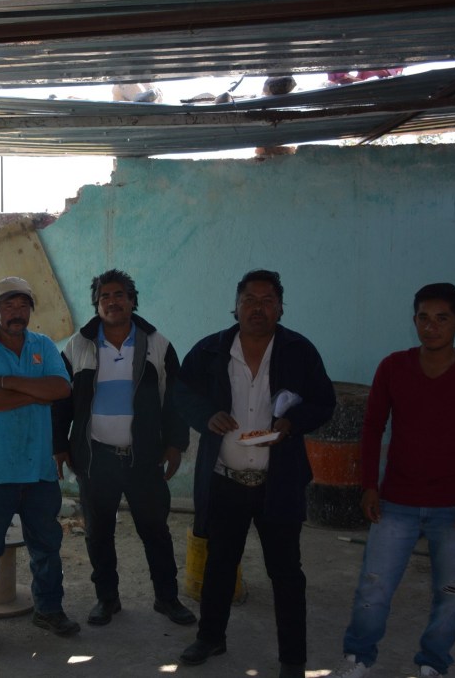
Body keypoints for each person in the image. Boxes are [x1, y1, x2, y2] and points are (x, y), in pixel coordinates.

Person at [329, 283, 455, 678]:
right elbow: (373, 428)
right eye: (424, 318)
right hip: (396, 501)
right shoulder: (394, 367)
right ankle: (358, 658)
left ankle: (433, 665)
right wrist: (369, 486)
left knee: (450, 592)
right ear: (414, 321)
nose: (431, 326)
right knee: (373, 587)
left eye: (442, 318)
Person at [174, 269, 335, 678]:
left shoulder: (298, 351)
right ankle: (211, 637)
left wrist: (292, 422)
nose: (257, 308)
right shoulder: (210, 350)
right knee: (219, 565)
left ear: (280, 308)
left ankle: (293, 659)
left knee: (286, 573)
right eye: (249, 299)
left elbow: (324, 401)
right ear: (236, 306)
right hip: (225, 478)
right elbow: (180, 391)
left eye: (267, 301)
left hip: (277, 484)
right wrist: (205, 415)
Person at [52, 269, 195, 627]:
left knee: (155, 530)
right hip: (95, 456)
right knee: (99, 533)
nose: (112, 301)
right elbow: (61, 400)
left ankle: (167, 598)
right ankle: (107, 599)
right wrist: (59, 445)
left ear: (132, 300)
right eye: (105, 296)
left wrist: (176, 444)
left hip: (143, 456)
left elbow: (175, 397)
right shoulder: (78, 345)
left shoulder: (156, 343)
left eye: (119, 295)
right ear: (96, 304)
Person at [0, 276, 80, 651]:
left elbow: (61, 389)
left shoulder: (43, 345)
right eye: (8, 306)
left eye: (23, 305)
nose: (17, 312)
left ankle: (49, 610)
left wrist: (9, 381)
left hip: (39, 469)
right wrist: (35, 392)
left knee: (46, 546)